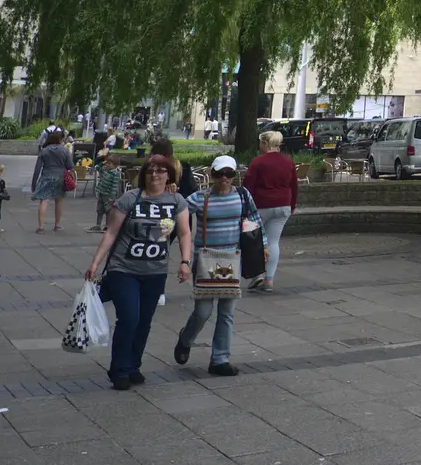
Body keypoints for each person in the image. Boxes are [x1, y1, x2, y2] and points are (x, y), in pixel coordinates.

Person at [84, 154, 192, 390]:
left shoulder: (176, 200)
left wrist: (185, 261)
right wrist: (94, 263)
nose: (155, 175)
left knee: (144, 322)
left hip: (155, 272)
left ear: (169, 175)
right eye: (150, 171)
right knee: (129, 318)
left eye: (161, 171)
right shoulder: (129, 199)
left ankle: (134, 365)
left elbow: (184, 233)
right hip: (124, 269)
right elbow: (111, 233)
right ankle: (119, 369)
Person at [174, 156, 258, 377]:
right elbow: (178, 210)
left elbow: (253, 220)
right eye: (220, 174)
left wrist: (263, 246)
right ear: (212, 175)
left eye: (229, 174)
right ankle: (186, 338)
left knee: (227, 312)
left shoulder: (243, 195)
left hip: (232, 259)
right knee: (203, 312)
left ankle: (220, 359)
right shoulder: (201, 197)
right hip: (206, 260)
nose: (224, 178)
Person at [243, 130, 297, 292]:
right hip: (283, 205)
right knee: (273, 242)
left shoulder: (258, 162)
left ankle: (256, 275)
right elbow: (294, 186)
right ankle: (269, 280)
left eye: (260, 143)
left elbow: (248, 185)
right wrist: (291, 206)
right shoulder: (288, 162)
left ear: (265, 143)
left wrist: (244, 208)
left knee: (252, 240)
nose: (259, 146)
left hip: (260, 206)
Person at [31, 129, 74, 233]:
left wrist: (34, 183)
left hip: (46, 176)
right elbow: (70, 166)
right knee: (59, 200)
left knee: (44, 201)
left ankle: (41, 227)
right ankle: (57, 225)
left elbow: (37, 168)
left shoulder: (44, 150)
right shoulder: (64, 150)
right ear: (59, 139)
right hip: (60, 177)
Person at [90, 149, 125, 232]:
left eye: (110, 164)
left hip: (108, 195)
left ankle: (107, 226)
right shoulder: (105, 170)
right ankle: (98, 225)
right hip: (101, 192)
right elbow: (97, 167)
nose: (108, 165)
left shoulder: (115, 174)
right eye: (107, 163)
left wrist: (111, 197)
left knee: (108, 211)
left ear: (115, 165)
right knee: (99, 210)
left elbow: (114, 186)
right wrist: (103, 163)